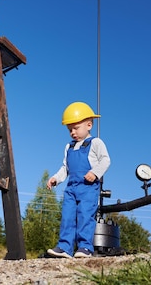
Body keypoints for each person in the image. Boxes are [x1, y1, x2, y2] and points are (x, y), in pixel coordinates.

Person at [46, 102, 111, 258]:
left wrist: (95, 173)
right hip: (71, 188)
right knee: (67, 216)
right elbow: (65, 168)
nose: (72, 132)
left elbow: (106, 160)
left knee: (84, 215)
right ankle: (65, 247)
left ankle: (85, 248)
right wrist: (56, 178)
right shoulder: (69, 147)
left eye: (76, 128)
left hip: (88, 188)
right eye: (70, 130)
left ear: (89, 125)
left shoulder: (95, 143)